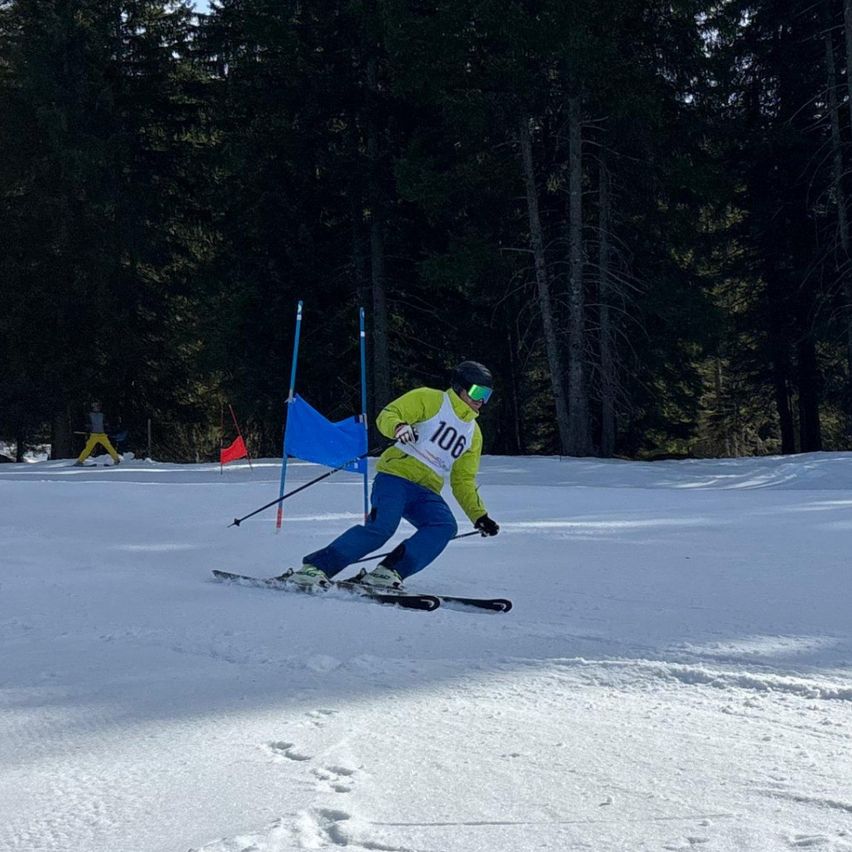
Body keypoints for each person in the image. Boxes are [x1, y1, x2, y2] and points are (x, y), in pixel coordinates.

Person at [289, 361, 500, 589]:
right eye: (477, 392)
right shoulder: (431, 400)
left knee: (444, 526)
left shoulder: (473, 434)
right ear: (460, 387)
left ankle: (388, 572)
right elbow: (389, 415)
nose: (481, 400)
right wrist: (399, 427)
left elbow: (463, 480)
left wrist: (479, 516)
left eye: (486, 395)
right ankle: (315, 568)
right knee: (382, 528)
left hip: (426, 491)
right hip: (395, 478)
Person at [74, 401, 122, 466]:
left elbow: (106, 424)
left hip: (102, 435)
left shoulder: (102, 415)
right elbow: (86, 423)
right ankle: (80, 461)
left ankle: (116, 459)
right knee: (88, 449)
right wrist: (87, 429)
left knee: (109, 447)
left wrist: (107, 430)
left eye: (97, 406)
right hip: (93, 435)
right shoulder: (89, 414)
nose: (96, 407)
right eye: (95, 406)